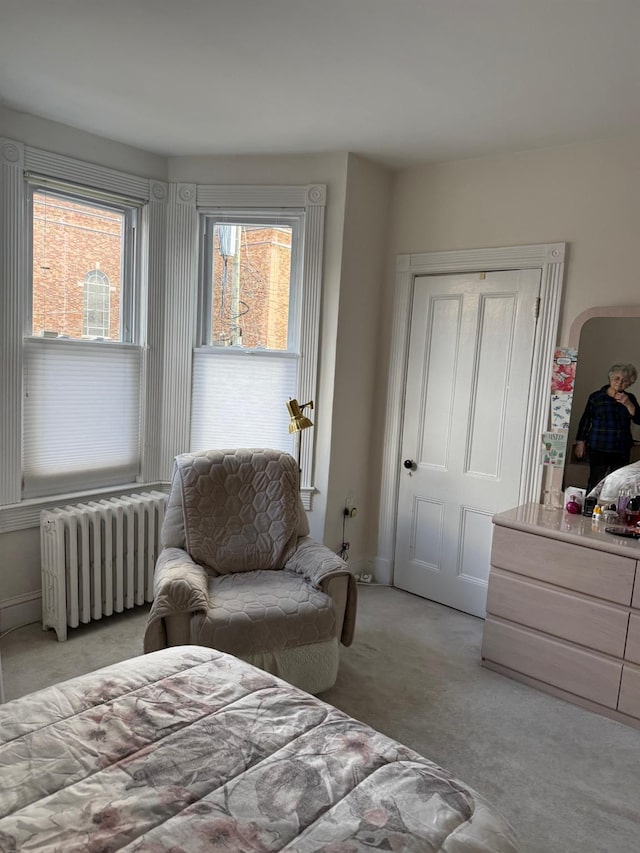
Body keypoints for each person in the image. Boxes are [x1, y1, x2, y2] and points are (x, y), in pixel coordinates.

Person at [575, 362, 640, 494]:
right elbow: (586, 420)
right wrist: (580, 442)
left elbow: (638, 420)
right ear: (610, 378)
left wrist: (628, 404)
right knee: (595, 479)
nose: (620, 382)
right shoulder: (596, 397)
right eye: (617, 378)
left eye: (625, 380)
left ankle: (611, 511)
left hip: (621, 448)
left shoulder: (630, 398)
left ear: (629, 384)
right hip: (598, 446)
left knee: (618, 482)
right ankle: (590, 509)